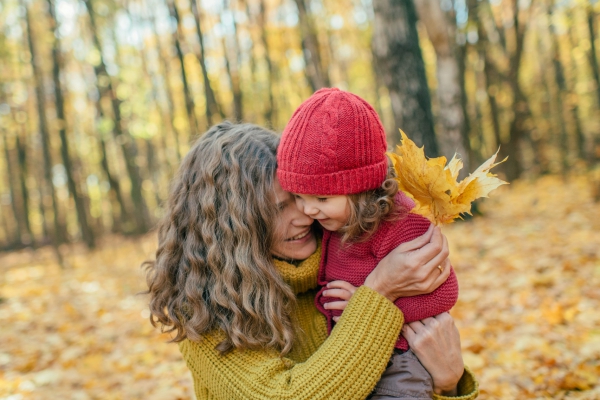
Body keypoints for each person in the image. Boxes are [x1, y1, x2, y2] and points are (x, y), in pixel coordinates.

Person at [144, 121, 478, 399]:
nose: (303, 216)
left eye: (301, 198)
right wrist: (378, 294)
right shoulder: (202, 311)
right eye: (277, 209)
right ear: (231, 230)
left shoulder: (354, 260)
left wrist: (448, 384)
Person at [277, 88, 459, 399]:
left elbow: (443, 294)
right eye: (298, 197)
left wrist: (368, 305)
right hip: (352, 357)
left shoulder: (400, 226)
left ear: (362, 190)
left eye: (321, 198)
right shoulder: (332, 223)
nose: (308, 210)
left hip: (400, 362)